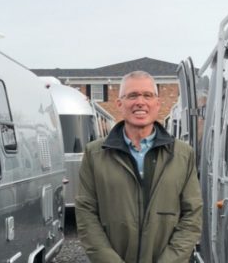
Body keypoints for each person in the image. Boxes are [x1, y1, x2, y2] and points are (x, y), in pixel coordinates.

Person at [75, 71, 202, 263]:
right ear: (120, 104)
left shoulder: (183, 154)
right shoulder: (95, 154)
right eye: (132, 95)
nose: (140, 102)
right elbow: (86, 214)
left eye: (147, 95)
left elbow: (192, 216)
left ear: (157, 104)